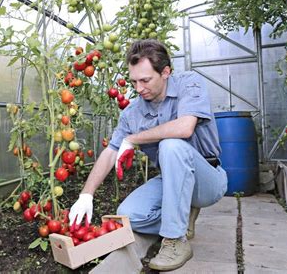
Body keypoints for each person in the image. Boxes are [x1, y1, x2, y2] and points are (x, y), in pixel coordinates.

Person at [68, 39, 228, 271]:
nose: (139, 88)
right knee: (128, 215)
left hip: (207, 178)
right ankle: (182, 218)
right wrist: (86, 195)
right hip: (171, 179)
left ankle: (175, 241)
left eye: (145, 80)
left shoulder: (189, 83)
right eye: (134, 81)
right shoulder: (133, 113)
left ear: (165, 72)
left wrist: (133, 139)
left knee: (171, 145)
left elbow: (184, 128)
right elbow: (111, 152)